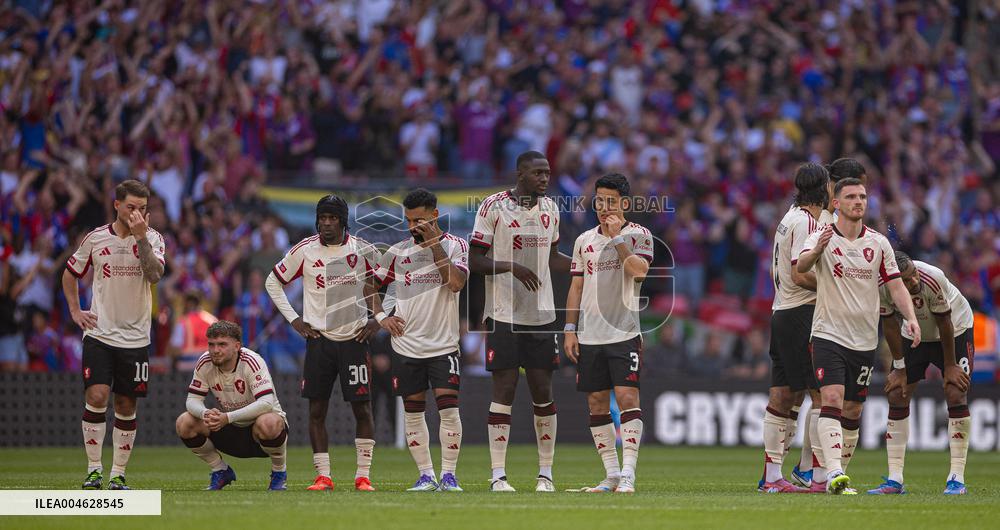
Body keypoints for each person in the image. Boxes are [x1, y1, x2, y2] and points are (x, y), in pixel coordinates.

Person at [796, 178, 920, 495]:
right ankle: (833, 472)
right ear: (835, 203)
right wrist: (818, 250)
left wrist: (911, 317)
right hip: (828, 333)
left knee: (853, 411)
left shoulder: (878, 244)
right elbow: (801, 267)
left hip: (864, 340)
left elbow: (895, 286)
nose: (858, 201)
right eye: (851, 196)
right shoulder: (821, 236)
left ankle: (834, 478)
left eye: (862, 196)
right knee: (832, 399)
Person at [265, 194, 383, 491]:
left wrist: (377, 320)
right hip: (319, 341)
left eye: (332, 218)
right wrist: (294, 319)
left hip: (354, 340)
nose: (326, 223)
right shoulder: (305, 250)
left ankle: (363, 476)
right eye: (322, 218)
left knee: (362, 409)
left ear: (343, 221)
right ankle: (323, 476)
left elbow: (392, 280)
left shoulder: (364, 250)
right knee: (317, 411)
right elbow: (272, 281)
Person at [469, 150, 571, 492]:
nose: (544, 178)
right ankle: (498, 475)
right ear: (521, 174)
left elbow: (553, 256)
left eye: (547, 172)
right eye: (538, 173)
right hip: (503, 313)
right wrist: (512, 266)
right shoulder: (492, 206)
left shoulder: (551, 209)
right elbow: (474, 260)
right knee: (505, 390)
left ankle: (546, 474)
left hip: (541, 314)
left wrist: (585, 266)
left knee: (543, 391)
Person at [63, 179, 166, 490]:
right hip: (100, 333)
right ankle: (94, 469)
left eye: (143, 209)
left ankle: (118, 474)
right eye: (132, 207)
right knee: (96, 396)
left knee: (125, 405)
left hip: (136, 338)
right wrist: (75, 311)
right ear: (117, 205)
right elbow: (70, 273)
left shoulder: (154, 238)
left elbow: (155, 275)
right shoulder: (95, 239)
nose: (137, 213)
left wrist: (141, 239)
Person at [375, 188, 469, 492]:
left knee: (448, 410)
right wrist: (381, 318)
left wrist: (432, 245)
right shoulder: (398, 252)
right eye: (409, 220)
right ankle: (426, 475)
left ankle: (449, 475)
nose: (413, 226)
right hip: (406, 345)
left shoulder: (456, 246)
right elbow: (369, 287)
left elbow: (455, 283)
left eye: (419, 220)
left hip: (443, 344)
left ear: (435, 215)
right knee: (412, 411)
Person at [564, 173, 653, 494]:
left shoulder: (639, 235)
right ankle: (611, 475)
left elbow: (639, 273)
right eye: (599, 200)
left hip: (624, 332)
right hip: (589, 336)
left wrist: (617, 240)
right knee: (597, 403)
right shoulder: (583, 241)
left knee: (628, 398)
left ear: (625, 204)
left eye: (611, 202)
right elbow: (576, 286)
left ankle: (629, 473)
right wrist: (570, 330)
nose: (603, 207)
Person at [786, 157, 868, 489]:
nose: (861, 198)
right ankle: (814, 470)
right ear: (836, 188)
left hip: (825, 316)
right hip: (814, 314)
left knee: (822, 397)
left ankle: (810, 468)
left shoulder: (814, 218)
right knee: (823, 397)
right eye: (856, 189)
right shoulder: (820, 222)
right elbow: (798, 271)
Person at [868, 252, 974, 495]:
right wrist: (900, 368)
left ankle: (956, 478)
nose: (913, 281)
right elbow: (890, 325)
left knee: (955, 391)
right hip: (913, 333)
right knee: (897, 393)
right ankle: (894, 480)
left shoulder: (932, 278)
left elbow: (944, 322)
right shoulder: (883, 286)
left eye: (913, 274)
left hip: (955, 329)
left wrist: (949, 366)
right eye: (906, 280)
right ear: (895, 280)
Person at [758, 163, 829, 494]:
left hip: (781, 312)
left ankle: (771, 477)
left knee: (782, 395)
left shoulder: (789, 217)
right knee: (820, 395)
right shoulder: (809, 223)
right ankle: (817, 477)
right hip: (801, 312)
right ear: (824, 189)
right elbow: (800, 274)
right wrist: (834, 287)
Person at [175, 321, 288, 490]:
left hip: (262, 434)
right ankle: (220, 469)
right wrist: (205, 413)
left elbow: (266, 403)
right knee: (184, 422)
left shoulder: (252, 361)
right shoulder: (204, 362)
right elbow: (192, 400)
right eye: (211, 344)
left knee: (269, 422)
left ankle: (279, 472)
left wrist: (227, 417)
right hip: (231, 427)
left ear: (237, 346)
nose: (215, 350)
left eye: (222, 344)